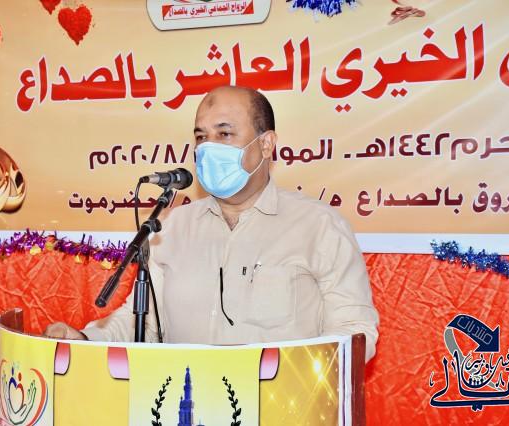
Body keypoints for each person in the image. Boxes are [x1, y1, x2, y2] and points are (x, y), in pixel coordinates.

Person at [45, 85, 379, 361]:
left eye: (225, 134)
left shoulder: (319, 227)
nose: (208, 149)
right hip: (183, 403)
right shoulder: (171, 228)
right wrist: (84, 339)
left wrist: (295, 380)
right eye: (201, 137)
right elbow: (140, 323)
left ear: (266, 144)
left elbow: (354, 334)